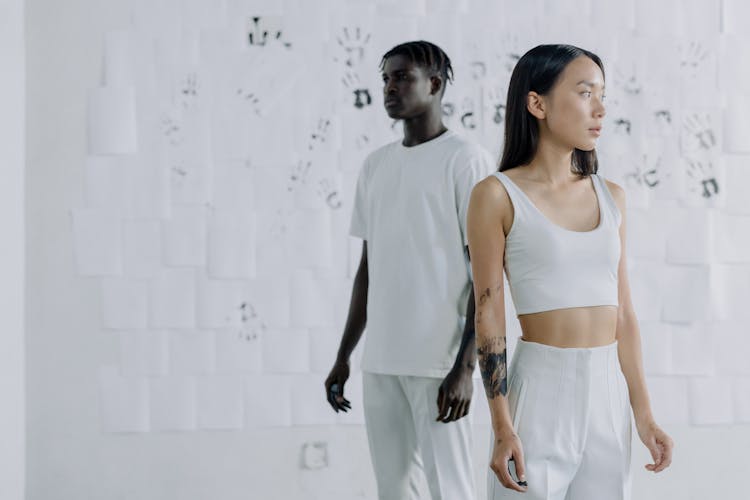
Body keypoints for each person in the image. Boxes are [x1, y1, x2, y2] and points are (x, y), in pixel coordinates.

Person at [466, 44, 675, 500]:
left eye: (603, 94)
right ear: (537, 103)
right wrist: (502, 425)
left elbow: (624, 317)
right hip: (540, 390)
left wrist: (644, 415)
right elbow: (489, 317)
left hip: (607, 395)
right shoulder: (495, 195)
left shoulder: (612, 196)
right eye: (585, 93)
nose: (599, 109)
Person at [324, 40, 494, 500]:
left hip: (438, 364)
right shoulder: (376, 166)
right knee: (394, 490)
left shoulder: (466, 160)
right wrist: (344, 354)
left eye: (402, 77)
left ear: (434, 84)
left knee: (450, 489)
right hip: (381, 360)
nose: (390, 88)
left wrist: (465, 367)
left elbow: (488, 276)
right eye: (385, 79)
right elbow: (368, 269)